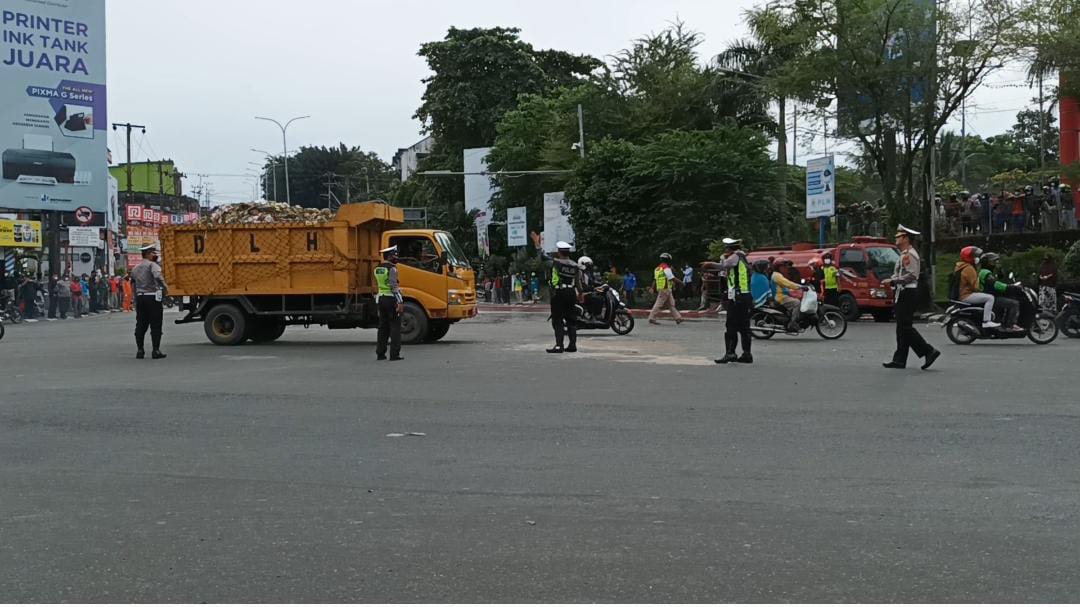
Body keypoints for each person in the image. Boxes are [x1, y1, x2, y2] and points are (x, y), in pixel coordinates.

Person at [882, 225, 940, 370]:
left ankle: (928, 350)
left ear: (906, 238)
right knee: (901, 328)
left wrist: (894, 281)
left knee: (905, 326)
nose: (896, 238)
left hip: (907, 292)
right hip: (903, 292)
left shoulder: (909, 254)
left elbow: (912, 275)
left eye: (899, 236)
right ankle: (900, 359)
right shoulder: (904, 254)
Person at [533, 232, 580, 353]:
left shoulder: (556, 263)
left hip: (559, 293)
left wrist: (536, 242)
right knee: (571, 320)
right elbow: (578, 282)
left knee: (557, 319)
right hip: (571, 292)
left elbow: (542, 257)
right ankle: (572, 345)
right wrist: (580, 293)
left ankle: (559, 345)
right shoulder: (575, 265)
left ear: (559, 252)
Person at [714, 238, 753, 364]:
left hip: (737, 296)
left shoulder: (735, 257)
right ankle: (747, 354)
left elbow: (724, 265)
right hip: (745, 295)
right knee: (744, 326)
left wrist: (710, 264)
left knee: (731, 325)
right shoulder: (742, 257)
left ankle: (730, 353)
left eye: (726, 248)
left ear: (729, 249)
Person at [131, 244, 168, 359]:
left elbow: (133, 282)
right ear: (147, 254)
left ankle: (140, 350)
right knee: (156, 324)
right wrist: (166, 288)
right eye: (153, 253)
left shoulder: (135, 268)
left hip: (140, 298)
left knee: (140, 324)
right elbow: (158, 276)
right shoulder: (153, 265)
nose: (155, 255)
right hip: (152, 297)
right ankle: (156, 350)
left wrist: (135, 296)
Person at [954, 246, 999, 329]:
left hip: (963, 293)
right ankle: (986, 321)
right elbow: (975, 286)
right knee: (990, 298)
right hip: (966, 295)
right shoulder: (969, 269)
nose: (977, 258)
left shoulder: (962, 266)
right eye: (974, 256)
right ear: (969, 257)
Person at [977, 252, 1022, 332]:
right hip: (991, 296)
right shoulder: (985, 273)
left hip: (992, 295)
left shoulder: (987, 272)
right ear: (987, 263)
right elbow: (995, 285)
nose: (996, 263)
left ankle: (1001, 322)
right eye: (994, 261)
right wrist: (1009, 287)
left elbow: (999, 280)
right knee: (1014, 303)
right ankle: (1010, 325)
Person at [373, 245, 404, 361]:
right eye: (395, 255)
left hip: (381, 299)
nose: (396, 257)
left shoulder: (377, 268)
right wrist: (400, 301)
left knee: (383, 327)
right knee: (395, 327)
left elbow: (379, 285)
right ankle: (394, 354)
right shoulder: (392, 269)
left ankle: (380, 353)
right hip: (391, 299)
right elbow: (393, 286)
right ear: (390, 256)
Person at [770, 259, 805, 332]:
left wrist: (795, 289)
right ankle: (792, 323)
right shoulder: (776, 276)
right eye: (783, 267)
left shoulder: (779, 275)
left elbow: (785, 286)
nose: (785, 268)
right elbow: (787, 283)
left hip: (782, 295)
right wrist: (800, 287)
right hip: (780, 297)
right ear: (778, 267)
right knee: (796, 303)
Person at [649, 252, 683, 325]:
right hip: (665, 288)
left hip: (663, 288)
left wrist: (652, 288)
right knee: (659, 304)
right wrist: (681, 283)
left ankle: (678, 318)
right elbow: (671, 278)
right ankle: (652, 318)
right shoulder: (666, 268)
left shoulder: (657, 269)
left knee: (671, 304)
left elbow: (655, 279)